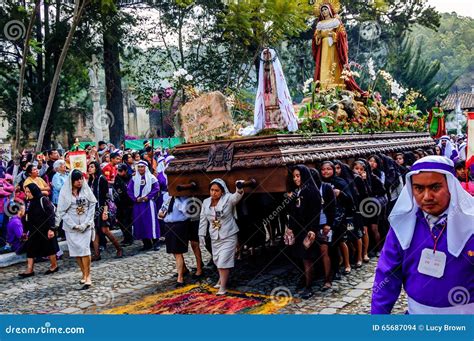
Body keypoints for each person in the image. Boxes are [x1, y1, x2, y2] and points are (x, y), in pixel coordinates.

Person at [372, 156, 474, 314]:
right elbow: (387, 274)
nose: (427, 197)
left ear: (451, 186)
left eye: (435, 187)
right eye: (419, 188)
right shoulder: (402, 226)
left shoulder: (470, 224)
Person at [199, 178, 245, 295]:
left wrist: (239, 188)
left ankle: (223, 287)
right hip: (215, 236)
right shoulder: (205, 202)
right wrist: (201, 234)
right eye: (212, 190)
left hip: (229, 234)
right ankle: (221, 279)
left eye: (217, 190)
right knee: (217, 260)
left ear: (222, 191)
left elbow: (237, 196)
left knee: (224, 260)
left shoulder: (228, 199)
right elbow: (203, 220)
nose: (213, 193)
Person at [311, 1, 366, 94]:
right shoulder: (320, 24)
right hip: (324, 47)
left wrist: (333, 34)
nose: (324, 11)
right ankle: (324, 85)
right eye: (322, 10)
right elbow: (316, 37)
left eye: (325, 9)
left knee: (334, 63)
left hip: (333, 46)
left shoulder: (335, 21)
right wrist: (318, 38)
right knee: (324, 64)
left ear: (329, 10)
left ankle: (336, 84)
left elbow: (342, 34)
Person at [56, 170, 97, 290]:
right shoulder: (65, 193)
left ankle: (88, 276)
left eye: (81, 179)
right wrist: (72, 225)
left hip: (86, 224)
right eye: (77, 180)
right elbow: (62, 211)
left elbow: (92, 205)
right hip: (71, 227)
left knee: (85, 250)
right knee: (76, 251)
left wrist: (87, 222)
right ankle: (83, 273)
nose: (79, 182)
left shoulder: (86, 190)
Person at [286, 165, 322, 299]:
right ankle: (304, 280)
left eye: (298, 176)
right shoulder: (299, 191)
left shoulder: (311, 191)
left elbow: (315, 212)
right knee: (299, 257)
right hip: (297, 229)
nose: (296, 179)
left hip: (307, 229)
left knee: (307, 258)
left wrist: (313, 229)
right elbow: (293, 211)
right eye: (294, 176)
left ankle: (309, 286)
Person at [19, 183, 59, 278]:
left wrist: (51, 229)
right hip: (33, 229)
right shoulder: (29, 202)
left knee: (49, 248)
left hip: (45, 228)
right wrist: (25, 231)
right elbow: (27, 217)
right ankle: (30, 270)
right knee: (30, 248)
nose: (27, 194)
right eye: (26, 192)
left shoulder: (43, 200)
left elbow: (51, 214)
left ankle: (54, 266)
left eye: (29, 192)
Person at [87, 162, 122, 260]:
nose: (90, 169)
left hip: (102, 208)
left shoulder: (101, 179)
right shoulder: (91, 180)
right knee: (95, 232)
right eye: (89, 167)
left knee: (105, 230)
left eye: (92, 167)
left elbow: (107, 196)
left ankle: (119, 248)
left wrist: (105, 211)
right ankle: (97, 254)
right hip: (93, 209)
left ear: (96, 168)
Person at [159, 193, 192, 287]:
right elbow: (163, 209)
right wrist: (160, 213)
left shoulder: (184, 198)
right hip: (168, 225)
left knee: (178, 252)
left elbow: (186, 212)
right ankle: (183, 269)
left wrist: (176, 199)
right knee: (173, 251)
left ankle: (180, 278)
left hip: (179, 225)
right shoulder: (166, 196)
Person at [127, 160, 160, 251]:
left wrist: (148, 197)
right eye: (139, 167)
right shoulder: (134, 179)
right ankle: (146, 243)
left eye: (142, 167)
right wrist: (135, 198)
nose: (141, 168)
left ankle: (156, 242)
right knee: (140, 223)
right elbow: (129, 190)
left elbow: (156, 188)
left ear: (146, 168)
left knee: (150, 222)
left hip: (148, 203)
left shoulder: (152, 177)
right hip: (138, 204)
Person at [113, 163, 134, 246]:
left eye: (121, 171)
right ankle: (126, 237)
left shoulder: (130, 178)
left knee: (127, 222)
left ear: (125, 171)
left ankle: (129, 239)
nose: (119, 172)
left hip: (128, 203)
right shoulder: (117, 178)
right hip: (119, 203)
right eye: (118, 170)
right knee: (120, 221)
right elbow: (116, 189)